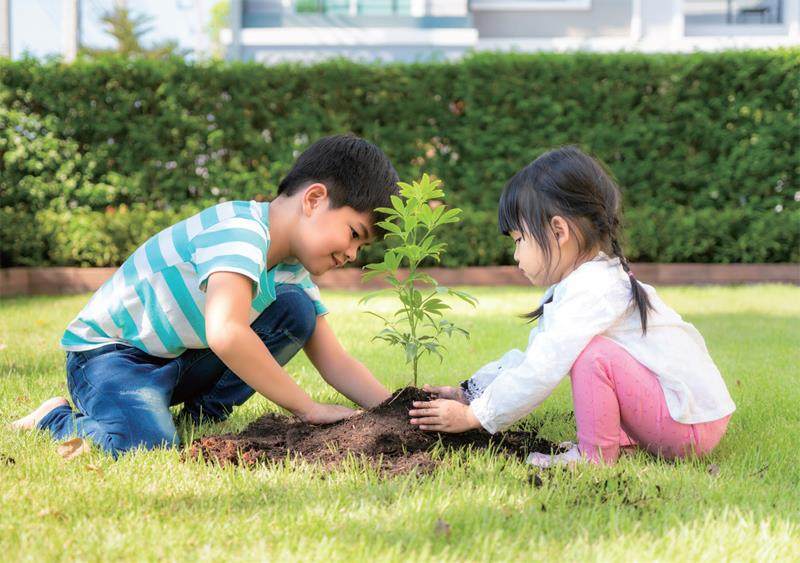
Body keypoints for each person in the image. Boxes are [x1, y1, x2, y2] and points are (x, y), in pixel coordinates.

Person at [12, 135, 398, 457]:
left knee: (296, 309)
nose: (353, 254)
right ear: (313, 199)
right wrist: (307, 408)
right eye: (354, 234)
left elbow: (336, 361)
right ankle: (54, 418)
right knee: (145, 444)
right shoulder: (239, 232)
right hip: (111, 357)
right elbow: (226, 332)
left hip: (176, 359)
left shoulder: (291, 268)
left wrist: (397, 409)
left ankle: (200, 415)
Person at [409, 146, 735, 466]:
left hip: (687, 426)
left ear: (558, 230)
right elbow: (533, 357)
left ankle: (595, 457)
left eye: (519, 240)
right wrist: (470, 392)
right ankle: (621, 440)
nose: (516, 255)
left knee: (592, 355)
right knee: (588, 352)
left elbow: (540, 370)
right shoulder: (584, 284)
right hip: (691, 418)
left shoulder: (593, 288)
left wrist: (473, 416)